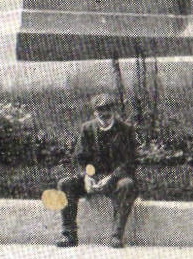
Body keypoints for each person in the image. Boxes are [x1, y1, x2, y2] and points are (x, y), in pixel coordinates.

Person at [54, 93, 139, 249]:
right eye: (100, 110)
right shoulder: (87, 129)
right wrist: (87, 176)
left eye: (108, 110)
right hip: (92, 178)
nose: (104, 114)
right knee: (65, 184)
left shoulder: (125, 130)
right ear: (95, 112)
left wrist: (111, 178)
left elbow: (130, 161)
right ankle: (69, 234)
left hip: (115, 179)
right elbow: (80, 157)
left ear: (113, 111)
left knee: (127, 185)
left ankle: (116, 236)